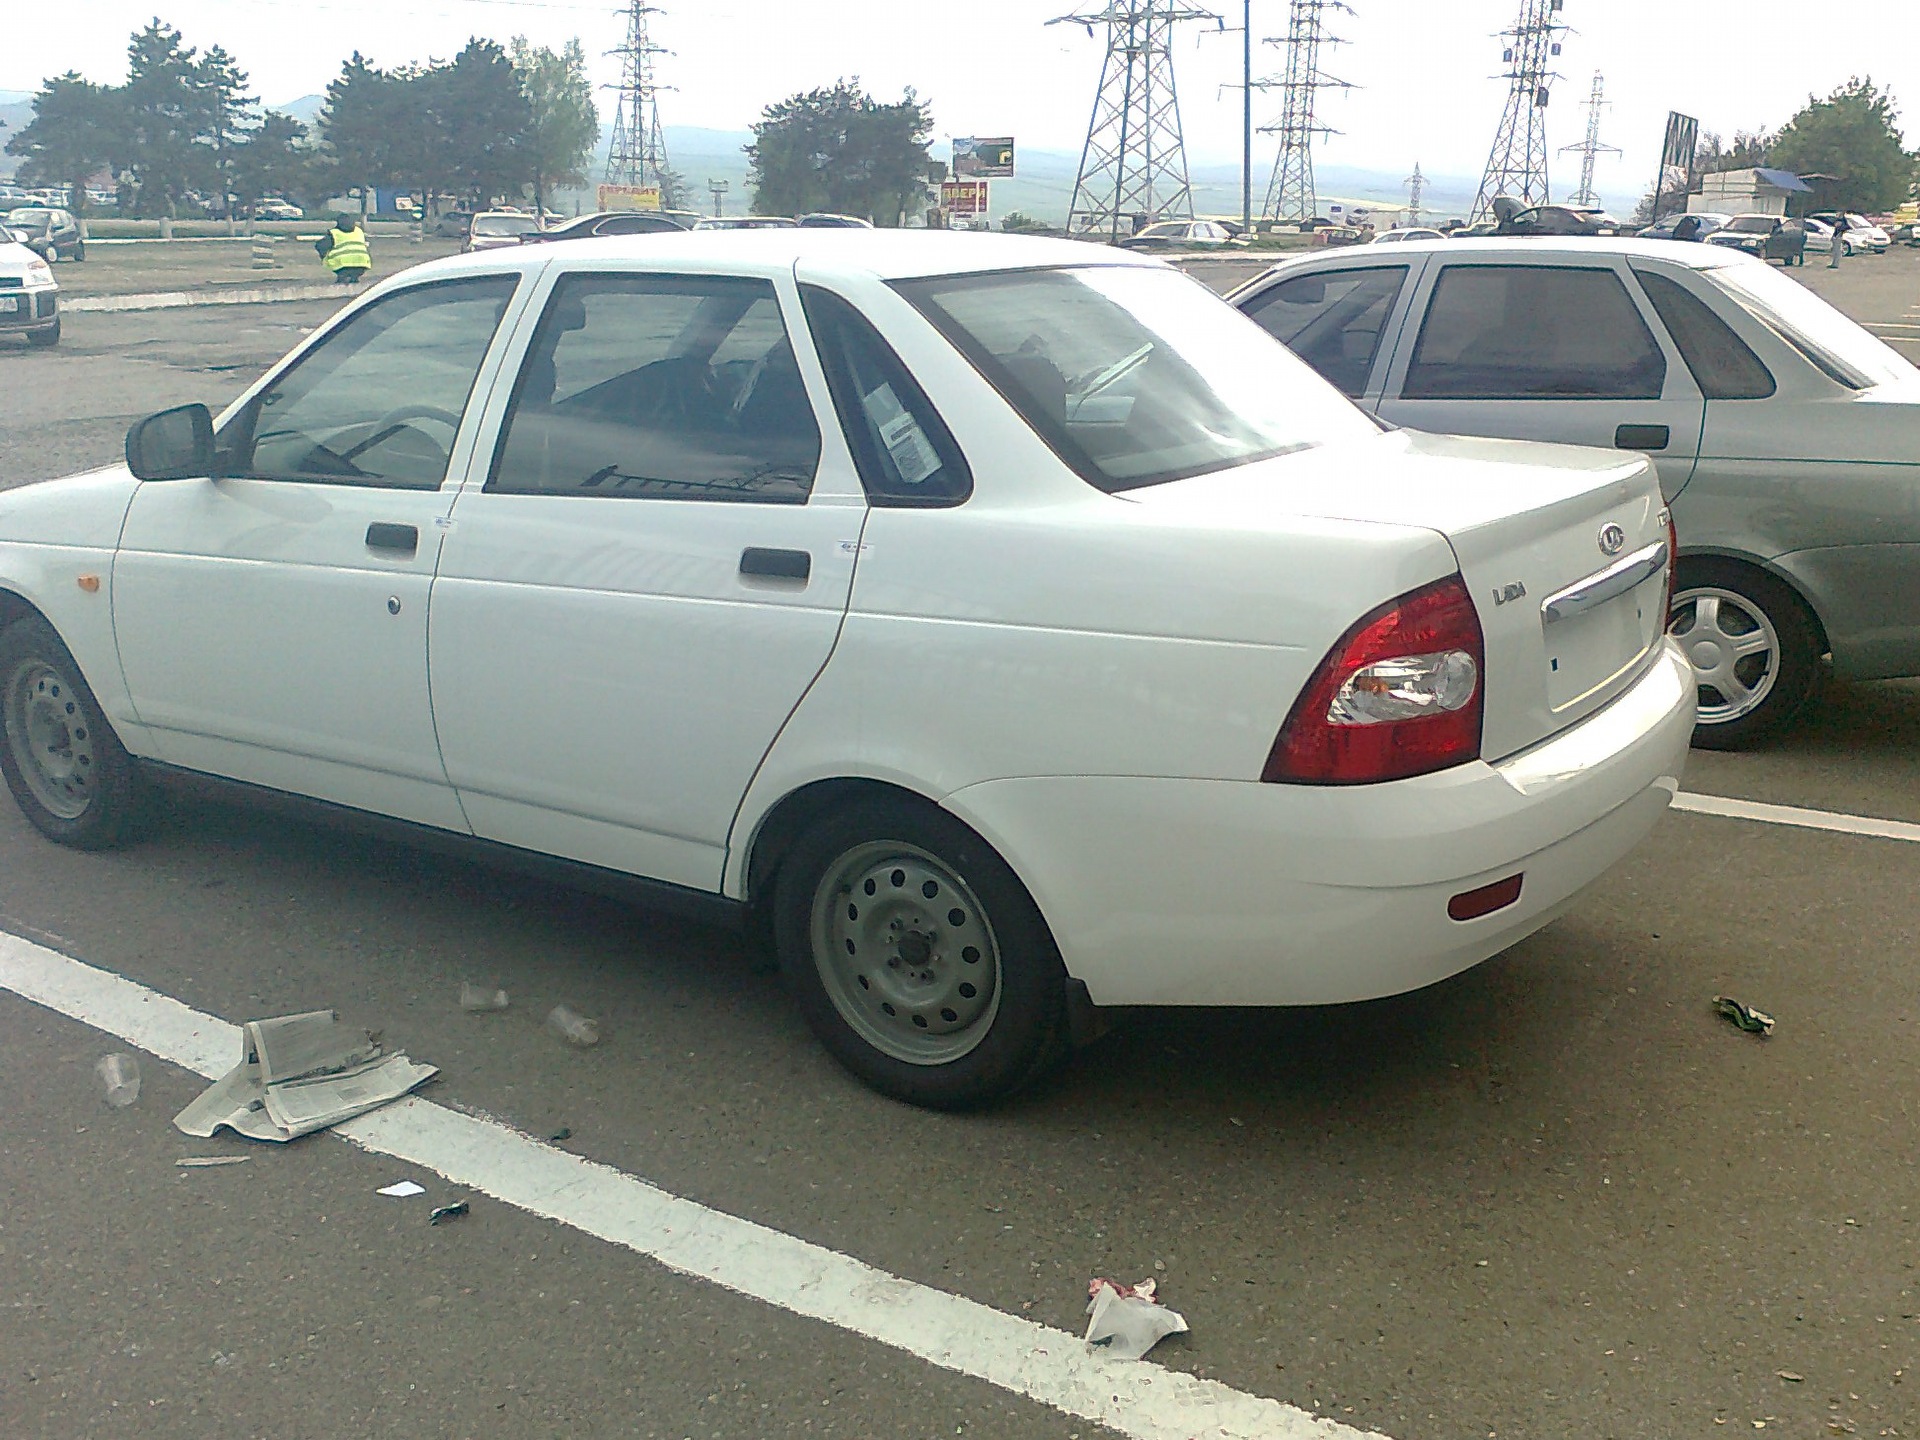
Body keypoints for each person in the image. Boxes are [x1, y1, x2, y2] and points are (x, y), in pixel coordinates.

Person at [317, 217, 372, 285]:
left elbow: (321, 246)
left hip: (342, 265)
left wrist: (323, 257)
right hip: (362, 263)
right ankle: (354, 279)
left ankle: (343, 279)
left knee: (342, 277)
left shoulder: (334, 233)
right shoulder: (359, 231)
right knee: (354, 277)